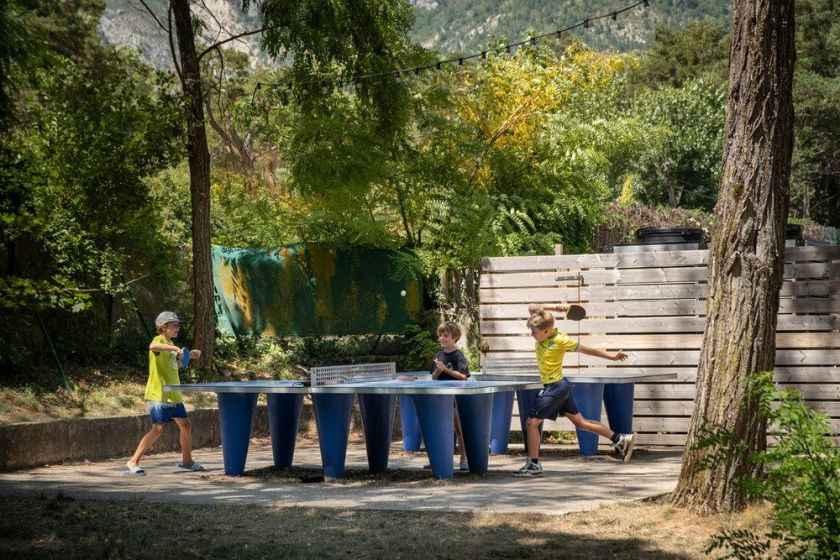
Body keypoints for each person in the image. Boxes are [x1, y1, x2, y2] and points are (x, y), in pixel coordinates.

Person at [513, 304, 632, 478]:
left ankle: (534, 465)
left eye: (534, 332)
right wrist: (559, 308)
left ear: (546, 331)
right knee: (581, 423)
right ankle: (620, 439)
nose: (532, 335)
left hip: (556, 387)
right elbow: (532, 307)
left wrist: (612, 357)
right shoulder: (542, 324)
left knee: (531, 423)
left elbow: (587, 350)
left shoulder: (561, 339)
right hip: (559, 386)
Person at [125, 311, 203, 475]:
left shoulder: (170, 346)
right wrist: (175, 348)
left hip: (173, 394)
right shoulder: (159, 341)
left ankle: (187, 461)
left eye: (178, 325)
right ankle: (133, 462)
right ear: (163, 327)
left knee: (186, 425)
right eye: (174, 325)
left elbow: (174, 365)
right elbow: (152, 347)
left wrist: (188, 357)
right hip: (158, 393)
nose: (178, 328)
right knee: (158, 428)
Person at [430, 321, 471, 471]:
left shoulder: (458, 355)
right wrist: (438, 371)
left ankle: (464, 459)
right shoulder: (438, 355)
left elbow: (463, 376)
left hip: (455, 396)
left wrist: (446, 371)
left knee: (458, 428)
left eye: (445, 335)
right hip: (440, 397)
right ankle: (439, 457)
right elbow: (434, 377)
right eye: (440, 335)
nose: (442, 338)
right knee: (440, 427)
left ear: (455, 337)